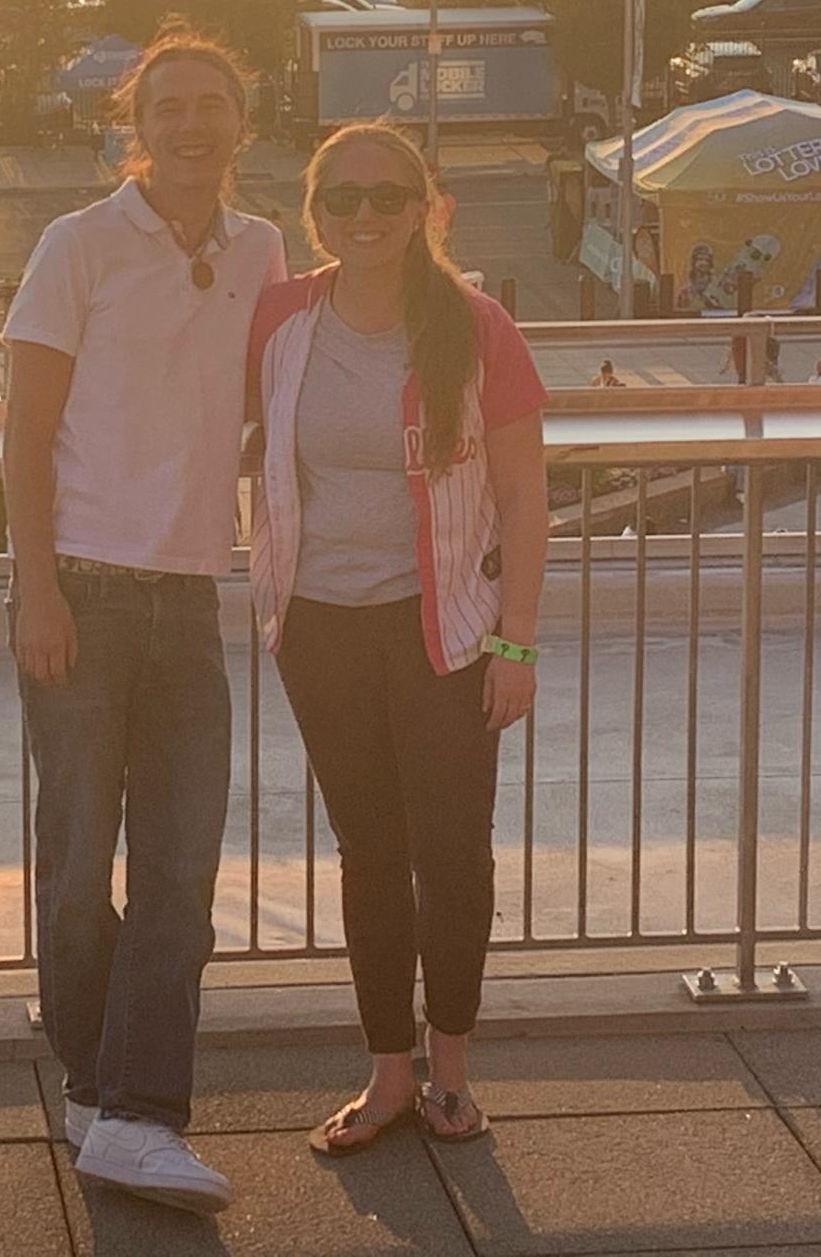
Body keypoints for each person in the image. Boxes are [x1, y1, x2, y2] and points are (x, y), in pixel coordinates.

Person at [2, 29, 285, 1216]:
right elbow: (25, 432)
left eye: (212, 104)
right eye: (169, 105)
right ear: (137, 124)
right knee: (77, 867)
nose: (190, 124)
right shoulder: (78, 245)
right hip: (82, 588)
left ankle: (135, 1112)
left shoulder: (262, 248)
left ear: (241, 124)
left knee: (179, 867)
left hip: (188, 596)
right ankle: (100, 1088)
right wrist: (38, 590)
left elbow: (281, 391)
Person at [248, 123, 548, 1156]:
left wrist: (517, 646)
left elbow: (524, 496)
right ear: (316, 214)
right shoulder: (282, 319)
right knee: (370, 854)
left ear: (424, 209)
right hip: (318, 627)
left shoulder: (475, 327)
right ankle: (386, 1072)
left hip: (447, 633)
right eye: (344, 198)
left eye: (388, 197)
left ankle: (449, 1072)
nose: (366, 216)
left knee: (453, 855)